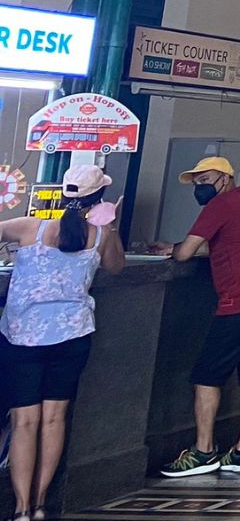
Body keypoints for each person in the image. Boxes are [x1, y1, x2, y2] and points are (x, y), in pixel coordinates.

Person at [0, 164, 124, 520]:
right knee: (54, 420)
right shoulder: (99, 236)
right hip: (72, 335)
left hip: (24, 335)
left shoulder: (30, 228)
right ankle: (41, 505)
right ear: (98, 198)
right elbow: (117, 267)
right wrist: (110, 223)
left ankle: (21, 509)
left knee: (25, 422)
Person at [160, 156, 240, 478]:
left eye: (205, 181)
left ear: (225, 178)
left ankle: (203, 452)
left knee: (206, 376)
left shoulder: (220, 205)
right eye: (197, 183)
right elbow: (233, 244)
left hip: (239, 302)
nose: (200, 188)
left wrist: (172, 249)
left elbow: (186, 252)